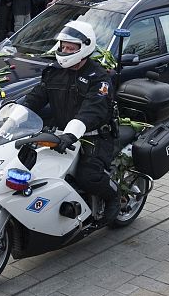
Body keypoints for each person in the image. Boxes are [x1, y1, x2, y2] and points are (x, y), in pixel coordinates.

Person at [22, 20, 120, 224]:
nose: (65, 51)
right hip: (60, 135)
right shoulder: (54, 71)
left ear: (84, 48)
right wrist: (12, 116)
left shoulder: (98, 77)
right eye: (63, 47)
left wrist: (72, 133)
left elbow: (92, 110)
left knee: (88, 176)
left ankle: (113, 197)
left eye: (70, 48)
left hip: (94, 136)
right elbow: (35, 98)